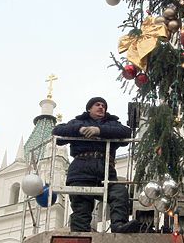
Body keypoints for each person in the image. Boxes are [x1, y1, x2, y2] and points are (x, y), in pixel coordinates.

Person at [52, 97, 141, 233]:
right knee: (81, 206)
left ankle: (119, 225)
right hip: (81, 171)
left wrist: (98, 130)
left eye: (103, 106)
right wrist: (80, 129)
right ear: (89, 109)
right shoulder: (78, 122)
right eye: (97, 104)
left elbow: (126, 132)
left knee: (119, 192)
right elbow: (57, 131)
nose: (101, 107)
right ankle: (80, 235)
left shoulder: (112, 124)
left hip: (105, 171)